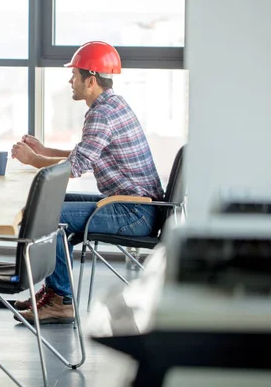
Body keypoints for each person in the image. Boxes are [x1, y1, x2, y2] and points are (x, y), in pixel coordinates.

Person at [10, 41, 164, 324]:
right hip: (136, 206)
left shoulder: (101, 113)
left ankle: (60, 301)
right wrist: (44, 151)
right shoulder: (112, 105)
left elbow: (76, 167)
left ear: (91, 80)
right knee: (51, 204)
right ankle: (56, 293)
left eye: (75, 75)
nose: (71, 80)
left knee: (49, 213)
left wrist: (32, 160)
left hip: (134, 212)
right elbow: (87, 153)